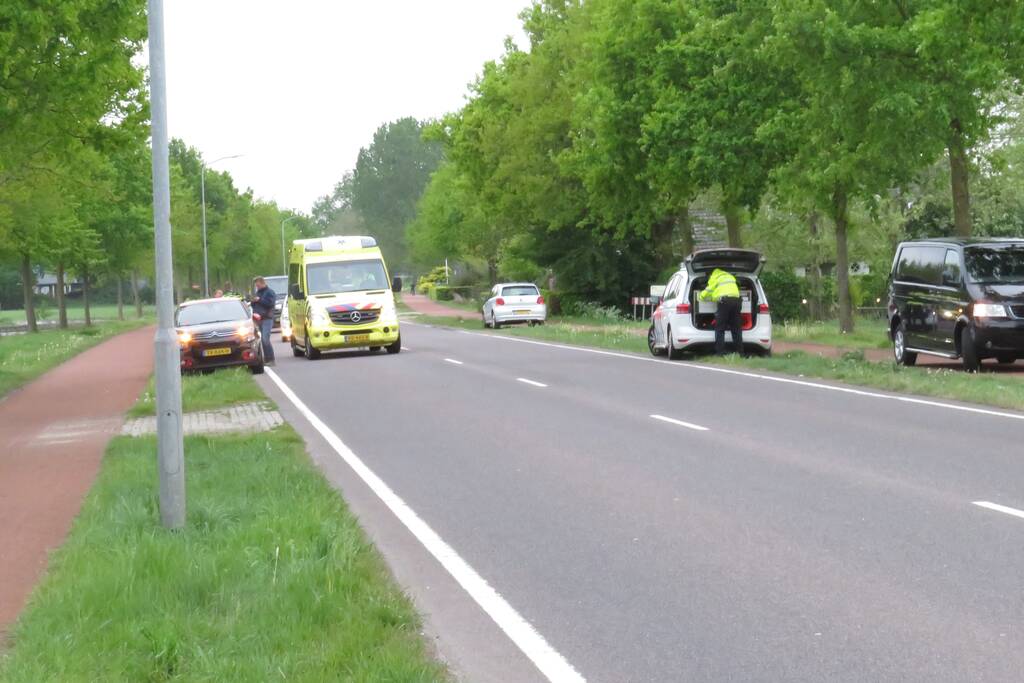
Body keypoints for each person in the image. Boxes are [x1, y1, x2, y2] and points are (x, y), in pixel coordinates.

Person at [699, 267, 743, 355]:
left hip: (725, 302)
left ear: (711, 274)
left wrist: (701, 296)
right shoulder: (729, 276)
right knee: (736, 328)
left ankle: (720, 352)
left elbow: (708, 290)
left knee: (720, 328)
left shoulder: (715, 277)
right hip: (737, 301)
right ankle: (740, 353)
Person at [250, 276, 276, 365]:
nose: (257, 287)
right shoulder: (258, 293)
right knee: (262, 340)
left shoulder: (270, 292)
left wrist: (259, 300)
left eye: (257, 285)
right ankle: (267, 359)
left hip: (267, 319)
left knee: (265, 339)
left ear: (262, 283)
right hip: (259, 319)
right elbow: (255, 305)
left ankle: (271, 359)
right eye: (256, 285)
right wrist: (253, 301)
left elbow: (270, 303)